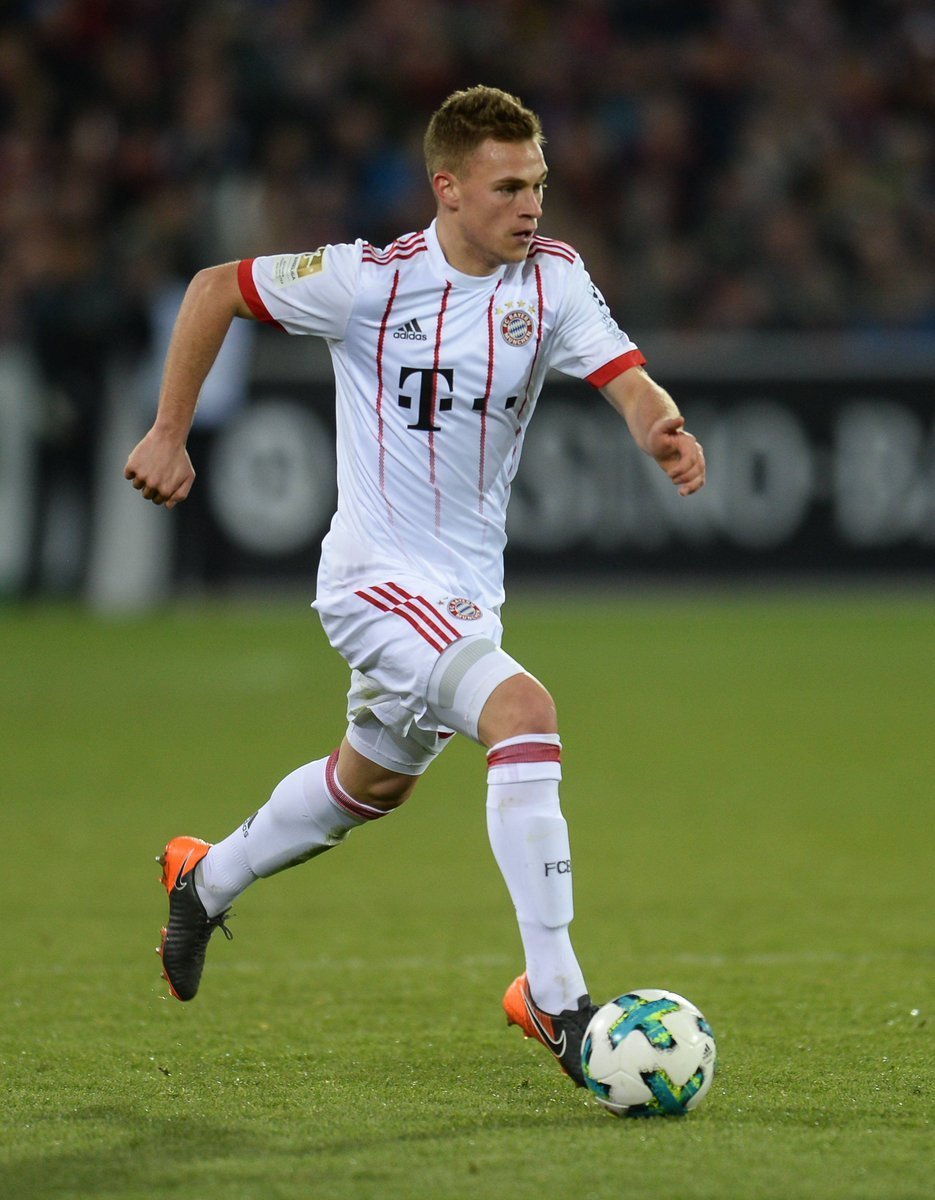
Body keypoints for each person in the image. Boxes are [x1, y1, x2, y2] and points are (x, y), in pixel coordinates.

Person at [124, 85, 705, 1088]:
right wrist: (169, 432)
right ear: (447, 188)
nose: (530, 204)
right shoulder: (365, 283)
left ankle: (205, 878)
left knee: (370, 785)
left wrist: (657, 424)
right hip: (374, 581)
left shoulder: (551, 278)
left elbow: (623, 376)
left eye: (538, 184)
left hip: (465, 593)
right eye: (507, 186)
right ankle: (558, 998)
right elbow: (215, 288)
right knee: (523, 712)